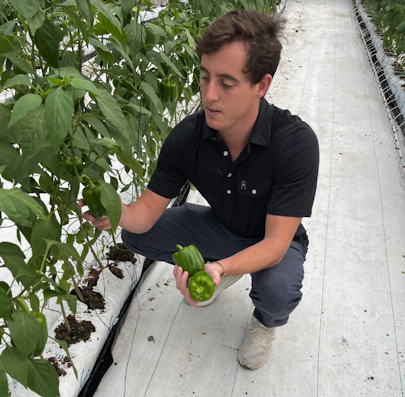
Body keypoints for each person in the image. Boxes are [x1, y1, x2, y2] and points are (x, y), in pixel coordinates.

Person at [82, 9, 319, 370]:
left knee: (277, 288)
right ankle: (223, 267)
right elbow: (144, 214)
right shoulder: (189, 137)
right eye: (204, 76)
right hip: (220, 229)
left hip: (275, 242)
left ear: (261, 85)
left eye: (226, 83)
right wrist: (116, 210)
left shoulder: (295, 143)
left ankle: (264, 323)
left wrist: (218, 269)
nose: (209, 95)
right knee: (135, 236)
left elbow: (273, 245)